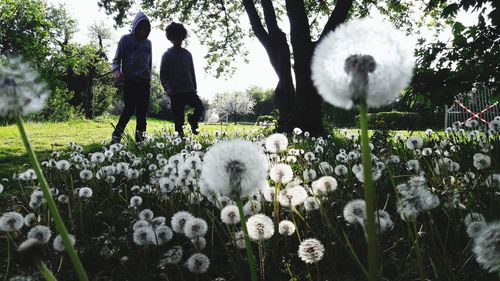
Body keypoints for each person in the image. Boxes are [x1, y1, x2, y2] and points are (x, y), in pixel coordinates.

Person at [111, 11, 152, 144]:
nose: (143, 32)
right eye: (141, 28)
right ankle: (116, 135)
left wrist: (149, 77)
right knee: (128, 110)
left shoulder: (148, 43)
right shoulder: (125, 40)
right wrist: (117, 72)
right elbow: (116, 60)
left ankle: (140, 141)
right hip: (130, 82)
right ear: (135, 27)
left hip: (144, 82)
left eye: (146, 29)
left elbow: (149, 63)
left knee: (142, 114)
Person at [160, 22, 204, 138]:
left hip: (189, 90)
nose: (177, 41)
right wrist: (168, 88)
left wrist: (194, 88)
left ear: (183, 37)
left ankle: (193, 121)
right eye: (175, 38)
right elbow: (163, 75)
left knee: (200, 107)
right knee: (178, 120)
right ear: (171, 38)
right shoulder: (166, 55)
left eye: (180, 38)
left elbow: (192, 72)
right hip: (175, 93)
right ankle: (180, 140)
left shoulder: (187, 54)